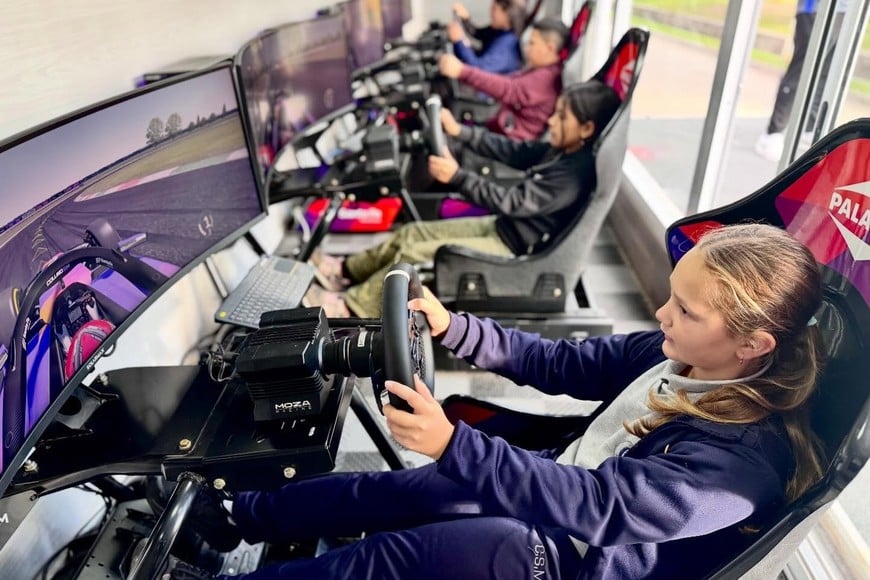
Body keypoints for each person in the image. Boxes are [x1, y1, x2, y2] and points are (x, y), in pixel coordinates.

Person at [167, 223, 826, 580]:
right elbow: (564, 361)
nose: (660, 313)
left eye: (685, 309)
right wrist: (458, 328)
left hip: (577, 558)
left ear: (752, 344)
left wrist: (459, 445)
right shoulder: (674, 354)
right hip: (561, 495)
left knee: (393, 560)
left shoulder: (741, 467)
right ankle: (229, 517)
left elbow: (604, 510)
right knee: (397, 494)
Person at [303, 79, 621, 318]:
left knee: (414, 253)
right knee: (412, 232)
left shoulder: (573, 175)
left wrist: (457, 177)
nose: (552, 121)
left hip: (513, 247)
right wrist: (461, 132)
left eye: (562, 117)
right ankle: (345, 271)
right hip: (504, 226)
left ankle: (349, 306)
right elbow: (513, 150)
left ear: (587, 128)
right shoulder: (562, 150)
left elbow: (513, 200)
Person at [439, 16, 568, 141]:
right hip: (496, 131)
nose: (528, 48)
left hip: (506, 144)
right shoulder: (540, 70)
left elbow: (508, 88)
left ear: (550, 48)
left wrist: (463, 71)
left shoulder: (546, 79)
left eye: (532, 43)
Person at [755, 0, 847, 162]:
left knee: (826, 70)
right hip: (816, 8)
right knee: (802, 68)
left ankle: (809, 127)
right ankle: (772, 133)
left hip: (846, 9)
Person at [448, 1, 526, 75]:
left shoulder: (506, 46)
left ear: (507, 15)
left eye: (494, 9)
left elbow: (478, 70)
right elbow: (479, 34)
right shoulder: (500, 31)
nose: (490, 13)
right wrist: (465, 20)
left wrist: (459, 42)